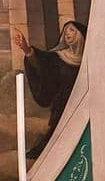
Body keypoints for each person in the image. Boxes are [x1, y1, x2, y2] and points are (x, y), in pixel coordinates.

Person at [14, 20, 85, 157]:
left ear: (81, 35)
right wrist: (27, 49)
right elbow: (43, 64)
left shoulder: (89, 59)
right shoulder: (59, 57)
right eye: (65, 31)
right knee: (55, 141)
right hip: (62, 106)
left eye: (72, 30)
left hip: (82, 104)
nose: (67, 34)